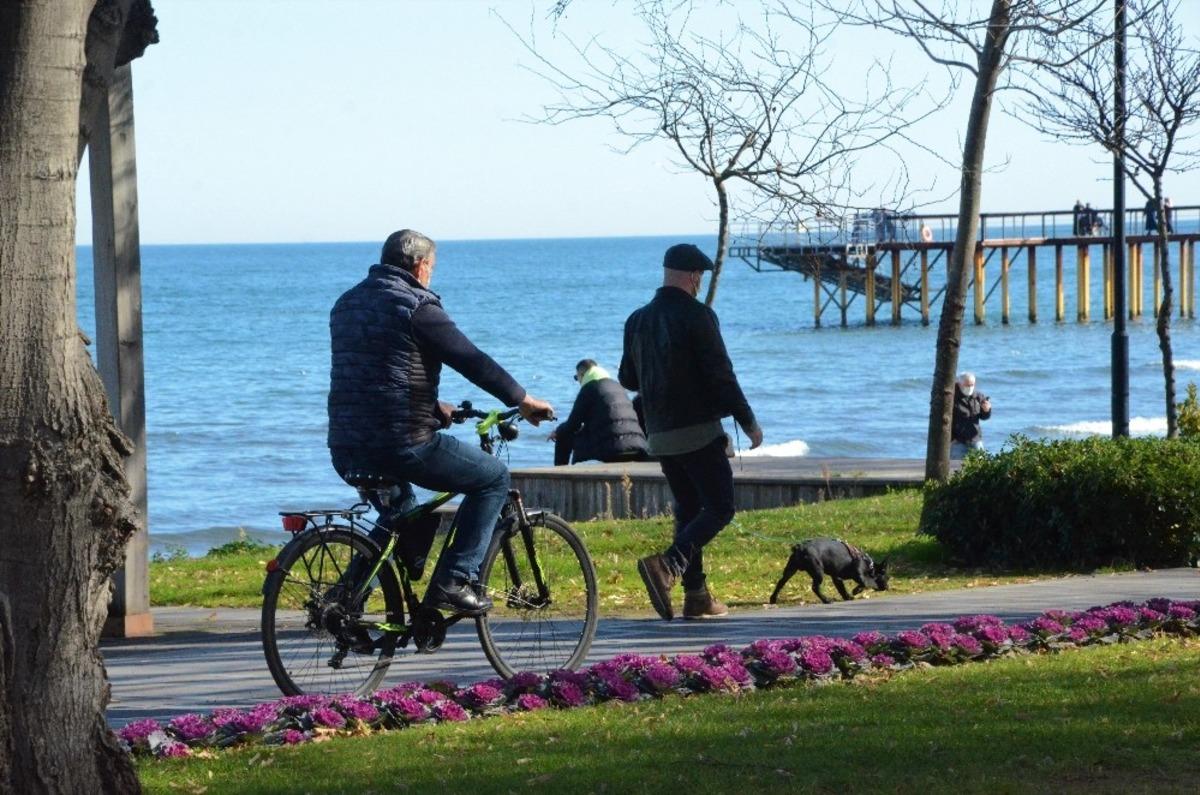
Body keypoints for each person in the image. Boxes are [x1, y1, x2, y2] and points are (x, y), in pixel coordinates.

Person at [326, 229, 554, 616]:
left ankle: (344, 600)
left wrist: (433, 406)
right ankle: (454, 581)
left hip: (346, 443)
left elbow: (376, 376)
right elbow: (471, 360)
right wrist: (523, 399)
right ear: (420, 265)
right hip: (403, 442)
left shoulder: (346, 304)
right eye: (431, 267)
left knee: (400, 515)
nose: (431, 274)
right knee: (493, 477)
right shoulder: (418, 308)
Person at [620, 243, 763, 621]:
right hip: (697, 431)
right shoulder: (699, 316)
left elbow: (627, 378)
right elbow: (721, 374)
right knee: (720, 507)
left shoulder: (637, 320)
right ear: (692, 276)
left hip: (660, 435)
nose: (700, 283)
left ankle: (697, 596)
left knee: (689, 511)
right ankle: (667, 567)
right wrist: (747, 419)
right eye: (699, 277)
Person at [549, 359, 648, 466]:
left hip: (611, 450)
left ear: (582, 375)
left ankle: (561, 472)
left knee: (563, 435)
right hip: (638, 448)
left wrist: (557, 431)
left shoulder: (589, 388)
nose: (578, 381)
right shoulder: (618, 387)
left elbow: (572, 425)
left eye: (576, 378)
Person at [950, 371, 991, 458]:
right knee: (955, 467)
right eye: (967, 385)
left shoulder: (978, 396)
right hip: (957, 441)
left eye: (972, 385)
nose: (970, 387)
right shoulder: (952, 397)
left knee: (981, 465)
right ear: (959, 383)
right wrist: (951, 439)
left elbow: (984, 417)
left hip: (975, 438)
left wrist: (986, 410)